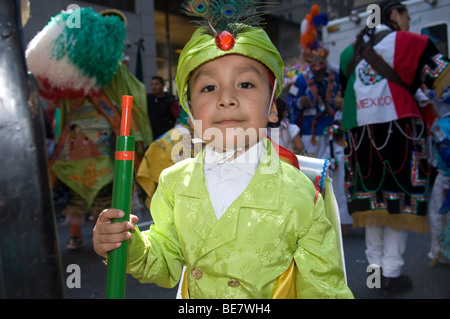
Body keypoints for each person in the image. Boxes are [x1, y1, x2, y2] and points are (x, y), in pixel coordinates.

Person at [93, 0, 352, 299]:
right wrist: (127, 243)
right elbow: (165, 261)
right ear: (190, 114)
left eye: (245, 84)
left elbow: (324, 290)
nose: (226, 98)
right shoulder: (174, 183)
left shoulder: (302, 195)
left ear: (272, 108)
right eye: (208, 88)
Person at [339, 0, 450, 294]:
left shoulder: (349, 52)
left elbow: (342, 92)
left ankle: (374, 273)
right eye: (407, 16)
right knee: (399, 204)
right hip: (399, 132)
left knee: (372, 204)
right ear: (394, 14)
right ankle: (391, 272)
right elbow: (441, 77)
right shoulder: (413, 43)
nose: (409, 23)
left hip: (359, 137)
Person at [26, 8, 152, 250]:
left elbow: (129, 94)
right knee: (81, 191)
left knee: (100, 190)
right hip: (81, 142)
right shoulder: (87, 69)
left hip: (99, 142)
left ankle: (96, 235)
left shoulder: (110, 68)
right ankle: (84, 235)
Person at [289, 5, 339, 159]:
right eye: (314, 65)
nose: (318, 68)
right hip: (309, 133)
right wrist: (300, 103)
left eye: (320, 64)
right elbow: (291, 102)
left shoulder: (334, 76)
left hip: (332, 131)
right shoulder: (300, 80)